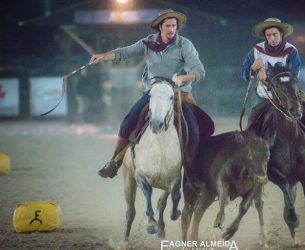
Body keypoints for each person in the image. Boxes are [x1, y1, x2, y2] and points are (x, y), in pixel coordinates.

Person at [90, 9, 213, 178]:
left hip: (179, 94)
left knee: (194, 128)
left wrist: (182, 78)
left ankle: (195, 172)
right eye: (168, 26)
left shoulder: (185, 45)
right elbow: (124, 53)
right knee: (129, 121)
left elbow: (200, 72)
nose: (172, 29)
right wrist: (103, 56)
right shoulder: (147, 43)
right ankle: (115, 162)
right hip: (153, 92)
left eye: (174, 26)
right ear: (160, 27)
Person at [241, 18, 305, 170]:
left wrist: (270, 76)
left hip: (289, 95)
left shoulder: (291, 51)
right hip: (265, 96)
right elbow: (244, 75)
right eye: (268, 35)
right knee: (251, 124)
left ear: (281, 34)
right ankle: (250, 158)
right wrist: (253, 68)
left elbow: (294, 75)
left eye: (275, 34)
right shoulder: (255, 51)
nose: (271, 38)